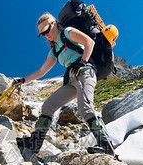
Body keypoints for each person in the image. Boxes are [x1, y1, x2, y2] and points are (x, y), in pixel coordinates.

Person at [12, 12, 114, 156]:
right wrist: (23, 80)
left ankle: (107, 146)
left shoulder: (67, 32)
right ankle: (34, 144)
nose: (46, 35)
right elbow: (41, 71)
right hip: (72, 80)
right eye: (43, 34)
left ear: (54, 24)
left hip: (85, 72)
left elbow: (89, 43)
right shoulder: (55, 50)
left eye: (47, 30)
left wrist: (82, 62)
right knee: (47, 106)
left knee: (85, 107)